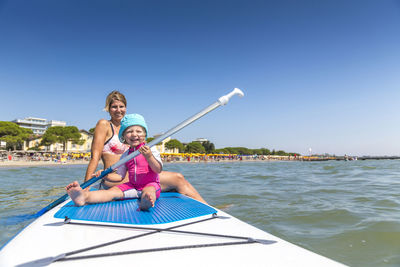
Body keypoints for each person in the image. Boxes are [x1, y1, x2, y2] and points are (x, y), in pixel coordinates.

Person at [84, 90, 207, 203]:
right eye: (114, 107)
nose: (118, 110)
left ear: (126, 108)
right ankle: (209, 209)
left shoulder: (129, 129)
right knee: (177, 179)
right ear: (108, 108)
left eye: (121, 106)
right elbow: (95, 158)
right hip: (116, 178)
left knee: (177, 180)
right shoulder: (104, 124)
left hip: (137, 176)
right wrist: (86, 186)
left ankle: (205, 208)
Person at [67, 113, 162, 210]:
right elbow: (119, 176)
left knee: (149, 191)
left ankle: (146, 201)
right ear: (124, 136)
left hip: (151, 184)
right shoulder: (126, 155)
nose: (134, 134)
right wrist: (106, 176)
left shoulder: (151, 149)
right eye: (129, 131)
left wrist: (149, 156)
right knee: (111, 192)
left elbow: (158, 169)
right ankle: (84, 197)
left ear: (145, 134)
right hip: (132, 186)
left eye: (139, 131)